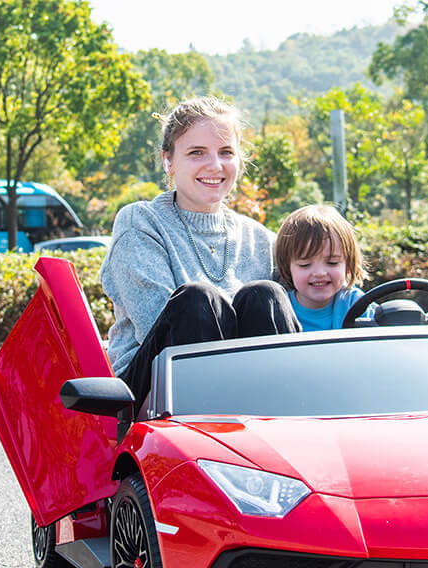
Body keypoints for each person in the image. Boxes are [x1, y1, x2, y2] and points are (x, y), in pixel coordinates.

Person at [100, 96, 300, 413]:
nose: (214, 166)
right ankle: (214, 430)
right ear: (168, 160)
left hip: (254, 392)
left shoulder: (260, 239)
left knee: (267, 295)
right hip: (152, 392)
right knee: (197, 300)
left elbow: (306, 311)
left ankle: (285, 424)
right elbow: (157, 324)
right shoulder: (140, 223)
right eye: (196, 153)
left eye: (226, 153)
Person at [274, 204, 374, 331]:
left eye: (332, 262)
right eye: (305, 265)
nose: (319, 273)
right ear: (287, 268)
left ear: (348, 264)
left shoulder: (355, 304)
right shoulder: (280, 310)